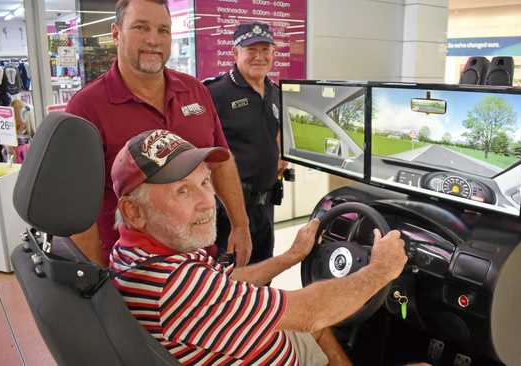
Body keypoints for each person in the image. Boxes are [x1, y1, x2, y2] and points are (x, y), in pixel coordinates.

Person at [109, 129, 412, 365]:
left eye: (204, 183)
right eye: (183, 191)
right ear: (134, 211)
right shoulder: (177, 286)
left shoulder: (133, 255)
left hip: (251, 347)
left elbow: (226, 284)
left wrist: (291, 256)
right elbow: (309, 313)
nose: (207, 202)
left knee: (319, 331)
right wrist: (380, 270)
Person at [65, 0, 251, 267]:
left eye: (163, 30)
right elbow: (77, 210)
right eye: (141, 27)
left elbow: (221, 163)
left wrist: (240, 225)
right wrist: (100, 283)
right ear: (116, 33)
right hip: (132, 272)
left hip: (199, 262)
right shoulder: (86, 108)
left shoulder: (194, 90)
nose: (154, 40)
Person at [204, 22, 286, 265]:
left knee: (263, 267)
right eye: (251, 50)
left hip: (266, 205)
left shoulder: (274, 91)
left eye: (265, 50)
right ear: (235, 52)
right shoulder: (214, 93)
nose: (259, 57)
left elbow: (274, 129)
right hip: (228, 208)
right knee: (232, 275)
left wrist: (280, 155)